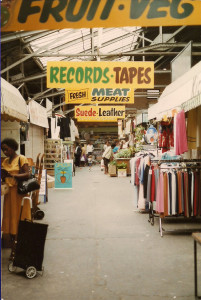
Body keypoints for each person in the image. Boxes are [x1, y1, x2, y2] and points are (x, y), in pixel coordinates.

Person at [1, 138, 31, 261]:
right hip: (8, 195)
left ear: (13, 147)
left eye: (6, 149)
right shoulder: (5, 161)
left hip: (18, 194)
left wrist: (12, 175)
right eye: (3, 150)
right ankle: (14, 248)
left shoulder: (21, 158)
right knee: (10, 222)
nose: (4, 152)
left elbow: (28, 174)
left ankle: (17, 250)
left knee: (18, 220)